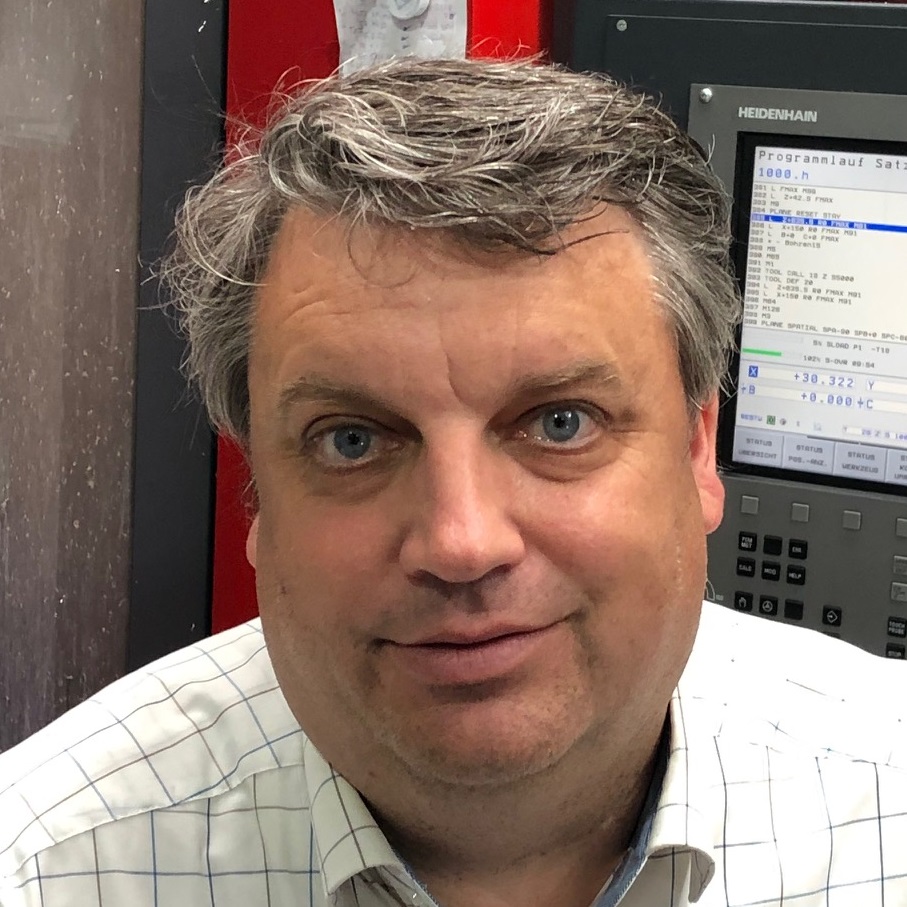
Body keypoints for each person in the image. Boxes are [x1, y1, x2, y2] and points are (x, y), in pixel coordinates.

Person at [1, 57, 905, 907]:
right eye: (352, 440)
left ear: (697, 446)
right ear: (258, 495)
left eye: (560, 422)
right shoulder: (45, 868)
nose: (461, 542)